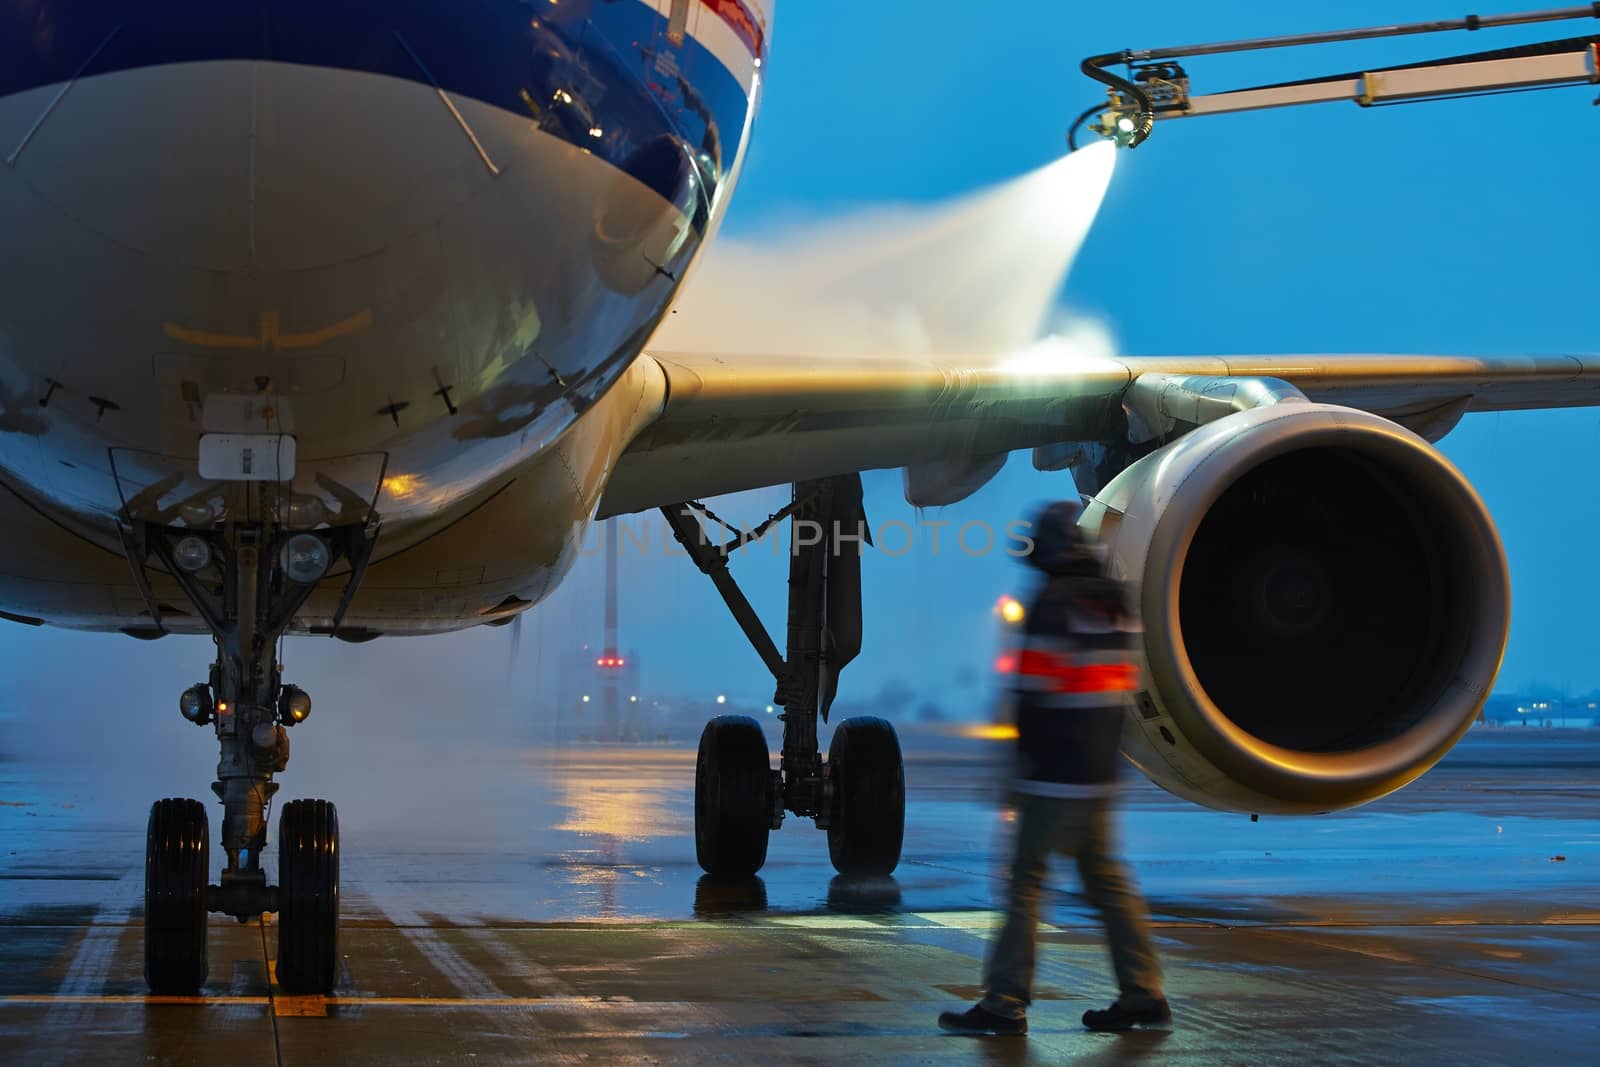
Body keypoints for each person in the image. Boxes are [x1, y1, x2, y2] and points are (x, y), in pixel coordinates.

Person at [939, 500, 1169, 1036]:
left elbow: (1033, 698)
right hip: (1098, 775)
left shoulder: (1050, 604)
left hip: (1051, 776)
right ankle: (1143, 993)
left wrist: (1014, 774)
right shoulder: (1115, 604)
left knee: (1024, 885)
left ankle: (1003, 1003)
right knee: (1108, 883)